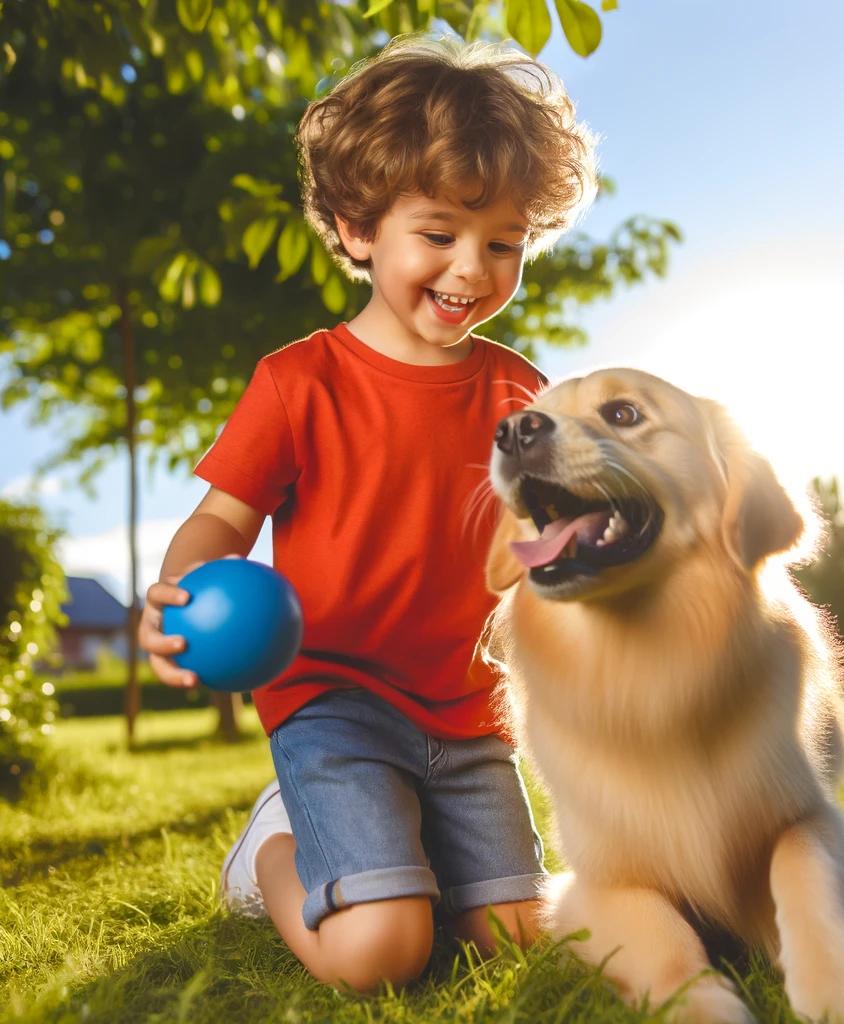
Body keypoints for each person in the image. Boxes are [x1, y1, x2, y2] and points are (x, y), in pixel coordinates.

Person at [138, 34, 597, 992]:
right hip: (333, 702)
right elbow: (223, 521)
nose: (472, 269)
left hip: (472, 716)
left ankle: (397, 842)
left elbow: (536, 546)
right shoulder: (299, 382)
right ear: (356, 229)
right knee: (382, 955)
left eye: (503, 243)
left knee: (522, 938)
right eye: (439, 234)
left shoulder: (520, 393)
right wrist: (179, 591)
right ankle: (270, 852)